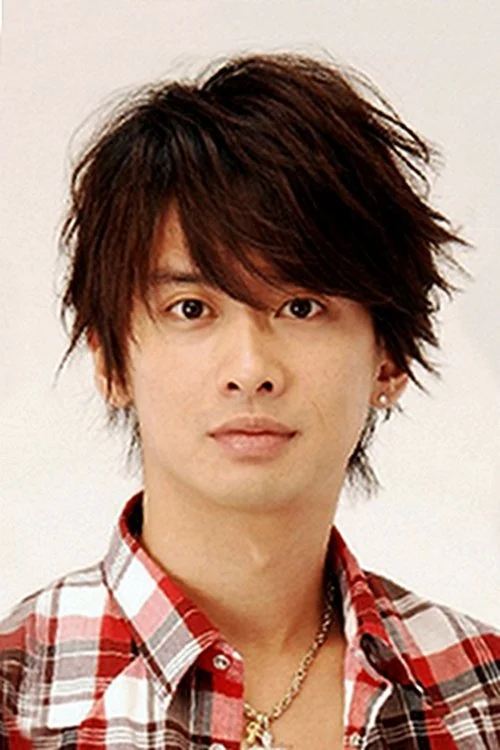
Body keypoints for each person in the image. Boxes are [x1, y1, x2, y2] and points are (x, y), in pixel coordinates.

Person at [1, 51, 499, 750]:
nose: (251, 369)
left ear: (387, 359)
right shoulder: (18, 700)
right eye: (190, 308)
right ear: (110, 360)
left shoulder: (481, 693)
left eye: (301, 306)